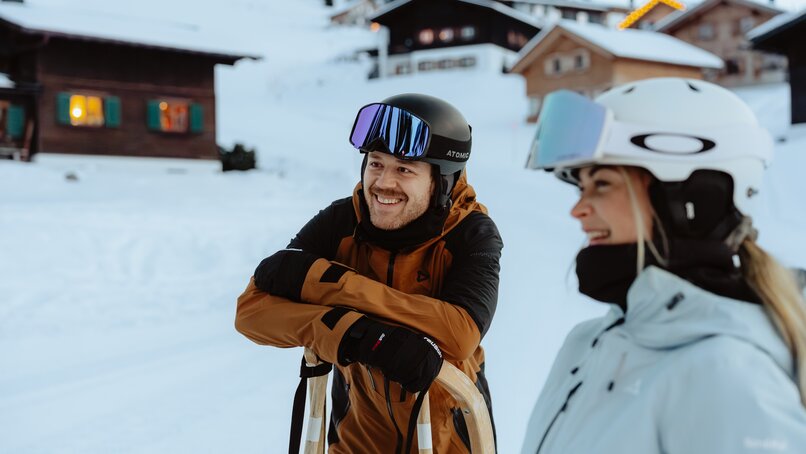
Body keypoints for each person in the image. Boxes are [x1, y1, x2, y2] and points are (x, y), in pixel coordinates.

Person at [521, 78, 806, 453]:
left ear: (691, 197)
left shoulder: (725, 373)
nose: (578, 209)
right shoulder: (588, 343)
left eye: (602, 183)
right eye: (580, 187)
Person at [235, 93, 503, 453]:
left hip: (446, 439)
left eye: (404, 169)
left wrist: (332, 283)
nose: (383, 183)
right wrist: (350, 334)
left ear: (442, 180)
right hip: (355, 437)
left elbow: (460, 333)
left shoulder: (471, 232)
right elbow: (251, 312)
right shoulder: (343, 219)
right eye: (376, 164)